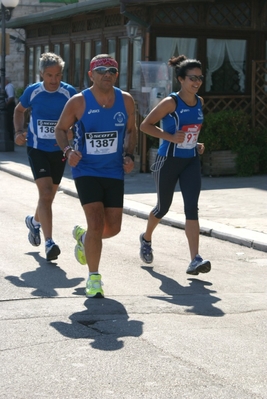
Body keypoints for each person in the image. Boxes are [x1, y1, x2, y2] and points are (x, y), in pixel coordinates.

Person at [55, 54, 137, 298]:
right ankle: (94, 279)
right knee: (95, 221)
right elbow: (61, 129)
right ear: (91, 75)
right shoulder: (79, 101)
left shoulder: (126, 100)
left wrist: (130, 155)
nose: (107, 74)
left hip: (113, 170)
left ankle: (83, 238)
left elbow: (131, 131)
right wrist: (68, 151)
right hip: (86, 169)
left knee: (113, 228)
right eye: (101, 70)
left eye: (111, 70)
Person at [139, 55, 211, 276]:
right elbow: (145, 126)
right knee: (163, 208)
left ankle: (194, 259)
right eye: (192, 78)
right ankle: (146, 238)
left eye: (200, 78)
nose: (197, 82)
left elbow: (189, 131)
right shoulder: (171, 102)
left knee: (192, 208)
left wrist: (195, 143)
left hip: (190, 161)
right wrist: (171, 138)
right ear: (181, 79)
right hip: (167, 161)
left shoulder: (199, 102)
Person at [14, 52, 77, 261]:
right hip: (37, 148)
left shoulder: (69, 93)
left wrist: (72, 131)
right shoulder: (33, 91)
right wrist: (18, 132)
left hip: (60, 150)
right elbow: (19, 110)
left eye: (57, 75)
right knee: (46, 192)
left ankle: (34, 221)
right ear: (41, 74)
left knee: (49, 196)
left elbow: (78, 117)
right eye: (49, 75)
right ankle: (49, 242)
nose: (54, 80)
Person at [5, 77, 16, 141]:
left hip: (9, 107)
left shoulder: (9, 86)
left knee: (9, 122)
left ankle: (10, 138)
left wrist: (5, 105)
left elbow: (11, 97)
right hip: (7, 107)